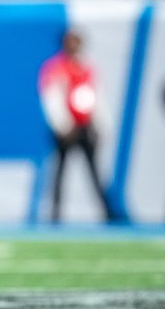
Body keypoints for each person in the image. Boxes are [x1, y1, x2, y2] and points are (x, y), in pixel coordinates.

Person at [38, 29, 115, 222]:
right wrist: (62, 125)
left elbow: (97, 97)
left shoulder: (87, 66)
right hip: (67, 129)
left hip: (86, 126)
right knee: (60, 172)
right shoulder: (56, 67)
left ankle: (107, 213)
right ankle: (55, 214)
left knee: (95, 172)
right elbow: (51, 98)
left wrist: (102, 125)